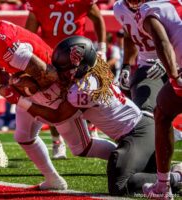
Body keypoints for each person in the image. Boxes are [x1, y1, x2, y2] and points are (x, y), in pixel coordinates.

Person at [0, 4, 117, 190]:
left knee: (82, 147)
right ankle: (53, 180)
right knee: (24, 136)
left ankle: (124, 155)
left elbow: (48, 75)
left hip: (55, 89)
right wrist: (2, 87)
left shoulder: (8, 46)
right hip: (37, 90)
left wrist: (19, 85)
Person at [11, 36, 182, 196]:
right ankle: (166, 170)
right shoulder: (90, 73)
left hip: (139, 133)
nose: (60, 76)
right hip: (138, 131)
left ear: (81, 67)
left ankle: (176, 178)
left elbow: (57, 116)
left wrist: (20, 100)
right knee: (126, 166)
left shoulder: (83, 88)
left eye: (64, 72)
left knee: (120, 185)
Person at [24, 0, 107, 158]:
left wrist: (101, 48)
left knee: (88, 93)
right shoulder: (38, 3)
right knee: (55, 100)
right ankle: (57, 142)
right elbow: (30, 32)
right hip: (52, 58)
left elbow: (98, 19)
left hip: (80, 57)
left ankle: (92, 130)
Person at [119, 0, 182, 199]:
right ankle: (165, 183)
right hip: (158, 65)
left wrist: (173, 75)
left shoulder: (149, 10)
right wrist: (127, 65)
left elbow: (163, 41)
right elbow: (131, 37)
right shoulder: (123, 9)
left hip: (174, 66)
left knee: (162, 113)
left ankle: (164, 185)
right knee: (159, 111)